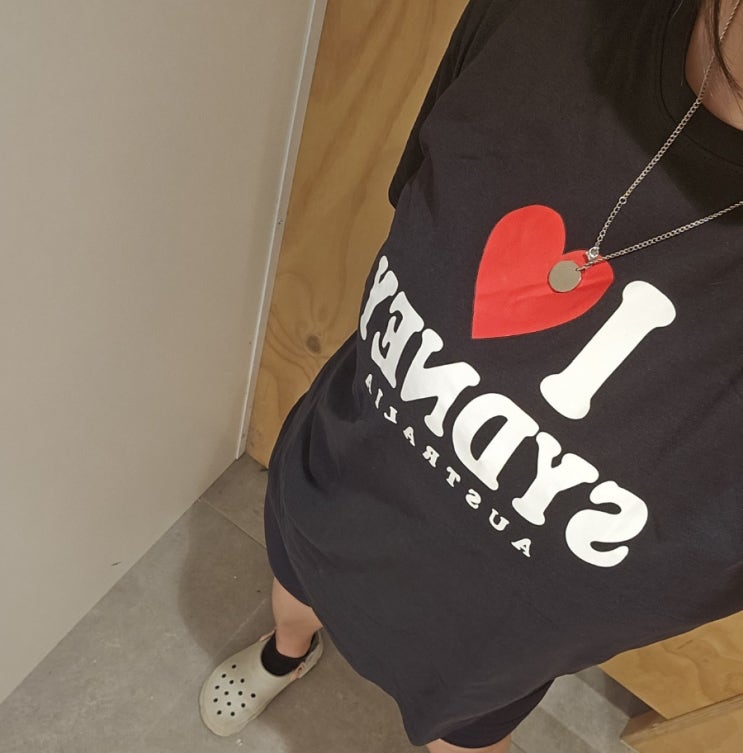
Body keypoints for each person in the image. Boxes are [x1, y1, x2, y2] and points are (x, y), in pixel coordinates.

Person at [200, 1, 743, 751]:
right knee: (293, 598)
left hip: (486, 656)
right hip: (330, 494)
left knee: (459, 740)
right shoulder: (549, 21)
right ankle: (285, 654)